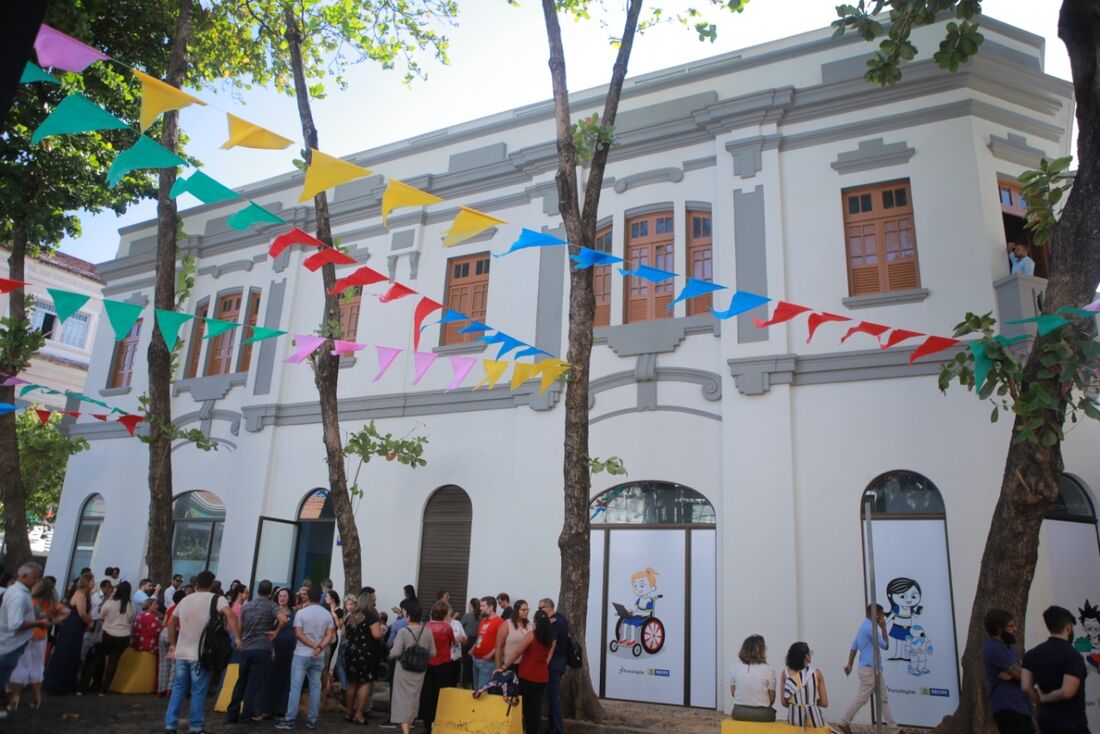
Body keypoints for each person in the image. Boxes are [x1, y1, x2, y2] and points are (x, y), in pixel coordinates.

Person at [164, 571, 241, 734]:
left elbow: (171, 621)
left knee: (178, 689)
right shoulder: (216, 599)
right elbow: (229, 614)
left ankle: (170, 725)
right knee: (198, 691)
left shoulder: (185, 600)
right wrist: (238, 638)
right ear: (212, 583)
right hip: (201, 653)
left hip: (182, 652)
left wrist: (173, 644)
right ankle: (196, 727)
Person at [225, 579, 287, 724]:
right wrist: (276, 631)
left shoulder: (248, 606)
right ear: (271, 592)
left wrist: (239, 640)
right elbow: (284, 619)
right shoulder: (272, 606)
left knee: (241, 681)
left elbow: (240, 625)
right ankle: (246, 715)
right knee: (254, 683)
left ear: (257, 590)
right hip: (262, 647)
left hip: (247, 647)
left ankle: (232, 713)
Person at [1022, 605, 1089, 734]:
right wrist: (1045, 698)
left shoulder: (1032, 654)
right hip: (1071, 722)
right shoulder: (1073, 656)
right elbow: (1067, 692)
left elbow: (1026, 686)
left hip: (1046, 721)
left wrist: (1040, 701)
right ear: (1068, 627)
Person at [276, 585, 335, 730]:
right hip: (318, 655)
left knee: (295, 687)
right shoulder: (327, 614)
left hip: (301, 654)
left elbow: (298, 634)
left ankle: (290, 719)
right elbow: (330, 635)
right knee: (316, 687)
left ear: (307, 597)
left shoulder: (302, 613)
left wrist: (313, 645)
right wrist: (319, 647)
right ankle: (312, 719)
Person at [838, 604, 897, 734]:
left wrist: (850, 665)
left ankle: (894, 730)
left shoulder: (862, 627)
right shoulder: (870, 628)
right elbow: (885, 645)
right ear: (875, 614)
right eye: (881, 614)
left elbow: (854, 647)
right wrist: (883, 628)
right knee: (862, 698)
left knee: (883, 700)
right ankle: (844, 722)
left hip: (873, 669)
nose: (882, 617)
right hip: (870, 670)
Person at [9, 576, 67, 711]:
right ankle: (37, 697)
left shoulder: (29, 601)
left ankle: (15, 697)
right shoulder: (52, 603)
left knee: (20, 665)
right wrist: (52, 621)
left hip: (26, 635)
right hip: (41, 636)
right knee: (37, 666)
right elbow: (66, 611)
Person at [0, 563, 48, 721]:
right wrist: (38, 623)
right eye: (35, 578)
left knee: (4, 676)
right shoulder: (18, 595)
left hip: (12, 643)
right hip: (9, 644)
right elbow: (15, 624)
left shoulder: (18, 592)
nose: (36, 581)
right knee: (3, 675)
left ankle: (5, 703)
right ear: (24, 576)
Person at [500, 608, 555, 734]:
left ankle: (522, 729)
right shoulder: (550, 638)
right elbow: (548, 657)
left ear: (535, 622)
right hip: (542, 677)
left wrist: (504, 666)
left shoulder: (532, 635)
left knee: (524, 707)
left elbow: (518, 651)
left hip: (527, 676)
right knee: (536, 708)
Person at [43, 570, 94, 695]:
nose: (94, 583)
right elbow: (82, 613)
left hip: (75, 625)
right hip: (74, 625)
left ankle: (63, 683)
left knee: (69, 651)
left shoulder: (82, 594)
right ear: (87, 582)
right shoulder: (81, 595)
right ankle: (61, 683)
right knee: (69, 651)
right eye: (92, 581)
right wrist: (90, 622)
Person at [81, 579, 135, 694]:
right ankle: (104, 689)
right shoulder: (130, 606)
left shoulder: (110, 603)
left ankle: (82, 686)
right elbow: (131, 620)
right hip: (123, 636)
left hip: (107, 634)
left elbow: (101, 615)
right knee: (113, 663)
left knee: (96, 661)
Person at [388, 604, 436, 734]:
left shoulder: (403, 632)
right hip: (420, 670)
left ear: (408, 616)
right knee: (414, 697)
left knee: (402, 699)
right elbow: (433, 653)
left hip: (403, 670)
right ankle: (410, 722)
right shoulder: (427, 631)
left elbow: (396, 652)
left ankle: (406, 730)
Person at [983, 608, 1031, 734]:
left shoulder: (1008, 646)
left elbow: (1021, 670)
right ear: (999, 629)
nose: (1015, 629)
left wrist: (1016, 673)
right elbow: (1022, 675)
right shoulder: (994, 648)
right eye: (1010, 626)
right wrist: (1019, 673)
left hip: (1021, 706)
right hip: (1008, 708)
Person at [343, 590, 383, 724]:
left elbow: (344, 634)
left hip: (351, 651)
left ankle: (348, 712)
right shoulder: (371, 616)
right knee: (365, 682)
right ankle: (359, 714)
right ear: (370, 602)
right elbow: (377, 635)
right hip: (366, 653)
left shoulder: (350, 616)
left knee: (352, 682)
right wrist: (382, 631)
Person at [261, 587, 298, 721]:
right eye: (280, 596)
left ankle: (281, 709)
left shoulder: (294, 613)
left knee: (286, 678)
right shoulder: (273, 612)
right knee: (272, 678)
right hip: (275, 648)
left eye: (285, 596)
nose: (282, 598)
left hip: (290, 649)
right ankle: (268, 709)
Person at [420, 600, 457, 733]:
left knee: (428, 693)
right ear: (445, 613)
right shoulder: (447, 628)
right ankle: (440, 719)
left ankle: (427, 722)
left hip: (428, 664)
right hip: (443, 664)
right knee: (442, 693)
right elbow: (454, 641)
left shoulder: (427, 625)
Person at [779, 641, 827, 728]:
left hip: (794, 720)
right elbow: (824, 703)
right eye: (810, 653)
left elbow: (784, 702)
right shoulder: (817, 673)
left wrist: (797, 704)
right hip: (814, 721)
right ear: (806, 657)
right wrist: (812, 702)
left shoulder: (785, 674)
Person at [729, 634, 776, 721]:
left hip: (738, 712)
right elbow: (772, 698)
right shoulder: (768, 669)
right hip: (763, 714)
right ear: (761, 650)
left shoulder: (734, 667)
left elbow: (733, 693)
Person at [540, 598, 570, 734]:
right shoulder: (561, 618)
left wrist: (545, 663)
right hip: (560, 662)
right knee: (552, 696)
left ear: (549, 608)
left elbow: (552, 644)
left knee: (553, 696)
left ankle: (558, 729)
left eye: (541, 608)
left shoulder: (554, 622)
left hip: (554, 663)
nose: (539, 611)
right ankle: (552, 727)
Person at [472, 596, 503, 690]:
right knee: (476, 689)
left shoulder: (500, 622)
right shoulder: (483, 620)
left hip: (487, 662)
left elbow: (501, 643)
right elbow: (480, 638)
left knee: (482, 691)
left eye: (483, 605)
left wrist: (490, 655)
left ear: (491, 607)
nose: (480, 608)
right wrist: (472, 650)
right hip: (476, 659)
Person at [498, 599, 532, 673]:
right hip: (510, 665)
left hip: (526, 664)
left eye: (527, 609)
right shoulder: (507, 624)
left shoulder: (530, 625)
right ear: (516, 610)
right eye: (523, 610)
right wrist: (498, 667)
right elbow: (499, 647)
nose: (526, 612)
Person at [460, 598, 481, 688]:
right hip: (477, 641)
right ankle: (474, 684)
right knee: (474, 664)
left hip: (467, 641)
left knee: (466, 664)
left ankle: (464, 684)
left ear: (471, 605)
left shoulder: (467, 615)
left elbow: (460, 626)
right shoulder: (482, 616)